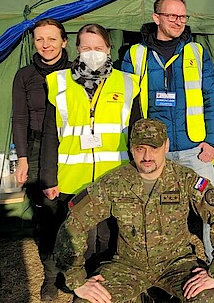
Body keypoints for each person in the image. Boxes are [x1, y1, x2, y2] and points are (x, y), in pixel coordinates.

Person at [53, 118, 214, 303]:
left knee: (207, 298)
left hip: (176, 265)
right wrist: (76, 280)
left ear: (166, 146)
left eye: (154, 148)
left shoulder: (185, 180)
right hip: (127, 267)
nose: (147, 156)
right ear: (131, 148)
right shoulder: (114, 182)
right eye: (140, 149)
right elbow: (73, 225)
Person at [121, 0, 214, 263]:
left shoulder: (196, 52)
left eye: (183, 16)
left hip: (194, 149)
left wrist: (212, 140)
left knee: (212, 209)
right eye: (172, 16)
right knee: (156, 214)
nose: (179, 21)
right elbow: (126, 106)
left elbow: (212, 98)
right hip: (155, 154)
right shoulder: (135, 54)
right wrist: (136, 148)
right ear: (157, 18)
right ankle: (163, 268)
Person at [40, 23, 141, 282]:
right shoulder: (58, 83)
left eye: (98, 47)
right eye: (86, 48)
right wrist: (49, 178)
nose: (92, 53)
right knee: (80, 237)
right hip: (73, 177)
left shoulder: (129, 83)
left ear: (108, 49)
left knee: (109, 235)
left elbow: (136, 133)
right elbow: (50, 135)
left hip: (114, 177)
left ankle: (105, 282)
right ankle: (79, 284)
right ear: (76, 49)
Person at [11, 18, 72, 301]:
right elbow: (20, 118)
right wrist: (22, 158)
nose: (46, 45)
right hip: (36, 149)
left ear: (64, 41)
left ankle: (75, 274)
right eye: (39, 40)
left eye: (51, 39)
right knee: (46, 216)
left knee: (73, 214)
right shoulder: (24, 75)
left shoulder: (77, 72)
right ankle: (51, 276)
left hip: (71, 148)